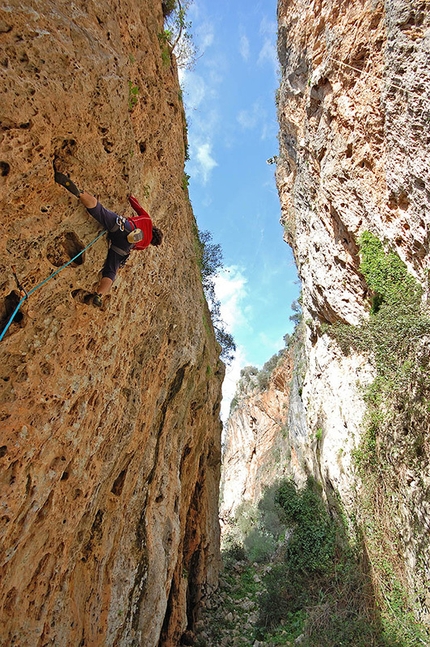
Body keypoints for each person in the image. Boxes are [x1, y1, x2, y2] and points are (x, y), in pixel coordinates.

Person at [55, 171, 163, 306]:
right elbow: (135, 247)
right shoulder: (145, 245)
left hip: (126, 226)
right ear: (153, 242)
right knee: (112, 269)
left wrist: (130, 197)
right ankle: (99, 294)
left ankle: (80, 194)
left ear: (155, 229)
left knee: (100, 210)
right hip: (124, 246)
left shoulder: (148, 220)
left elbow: (137, 205)